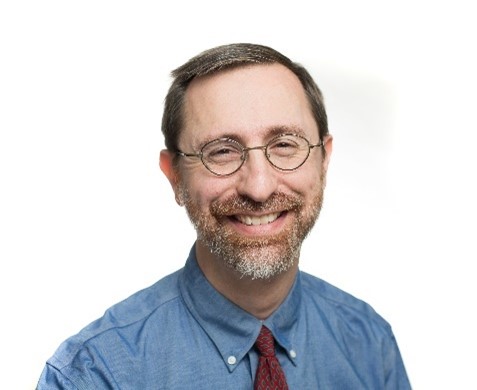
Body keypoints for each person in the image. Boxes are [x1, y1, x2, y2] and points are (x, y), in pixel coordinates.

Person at [37, 43, 411, 389]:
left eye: (284, 145)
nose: (259, 188)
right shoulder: (93, 375)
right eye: (221, 152)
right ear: (175, 176)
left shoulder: (370, 345)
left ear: (323, 160)